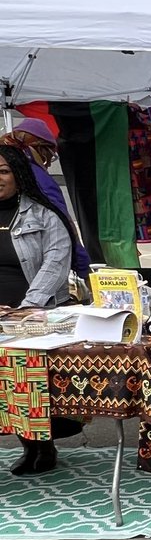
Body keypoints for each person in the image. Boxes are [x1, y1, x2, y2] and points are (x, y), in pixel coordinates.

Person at [0, 143, 81, 475]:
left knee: (21, 367)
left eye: (3, 171)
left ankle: (38, 444)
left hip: (36, 315)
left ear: (19, 175)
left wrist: (24, 309)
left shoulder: (45, 215)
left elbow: (55, 265)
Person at [0, 119, 91, 283]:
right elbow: (64, 224)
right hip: (29, 280)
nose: (49, 161)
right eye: (50, 153)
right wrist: (84, 269)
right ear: (40, 149)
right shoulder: (39, 178)